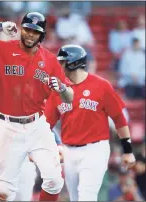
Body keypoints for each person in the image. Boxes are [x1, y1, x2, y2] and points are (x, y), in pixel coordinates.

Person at [0, 12, 74, 201]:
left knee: (55, 181)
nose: (31, 34)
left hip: (36, 125)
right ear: (21, 29)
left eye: (35, 32)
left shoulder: (49, 60)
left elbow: (69, 97)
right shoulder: (1, 49)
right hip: (8, 126)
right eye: (28, 29)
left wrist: (62, 87)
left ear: (42, 35)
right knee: (3, 192)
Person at [45, 45, 136, 201]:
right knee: (75, 198)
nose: (58, 66)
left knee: (87, 196)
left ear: (73, 63)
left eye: (62, 62)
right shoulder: (58, 90)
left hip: (95, 149)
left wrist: (127, 150)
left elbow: (119, 120)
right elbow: (46, 125)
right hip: (69, 151)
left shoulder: (101, 86)